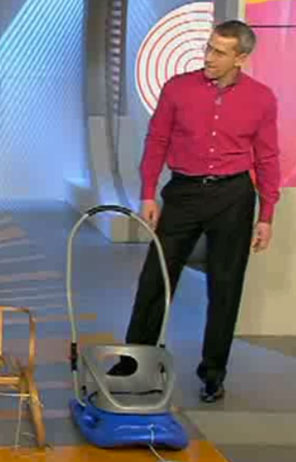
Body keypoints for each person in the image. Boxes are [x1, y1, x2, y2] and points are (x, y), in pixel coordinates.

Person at [112, 20, 280, 403]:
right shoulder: (177, 88)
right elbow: (157, 140)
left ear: (241, 58)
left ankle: (213, 374)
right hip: (183, 193)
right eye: (208, 47)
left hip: (233, 196)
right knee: (155, 280)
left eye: (219, 52)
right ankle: (136, 364)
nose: (209, 57)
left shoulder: (261, 98)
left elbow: (268, 158)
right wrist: (147, 193)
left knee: (225, 287)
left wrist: (266, 214)